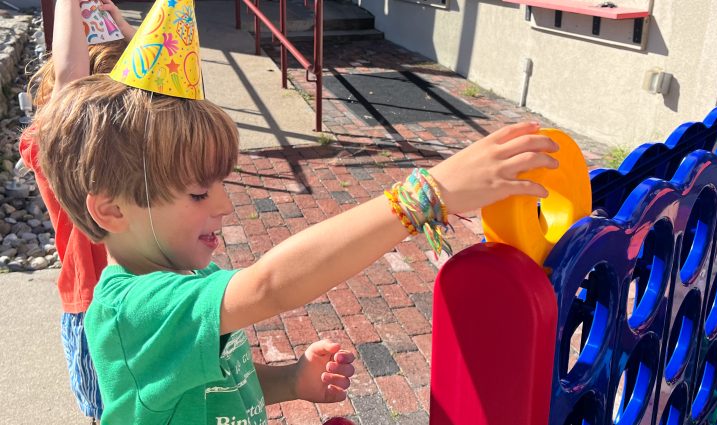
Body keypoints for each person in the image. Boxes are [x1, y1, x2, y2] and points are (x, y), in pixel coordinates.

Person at [36, 73, 557, 424]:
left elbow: (216, 380)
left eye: (220, 183)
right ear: (111, 210)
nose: (223, 203)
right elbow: (270, 285)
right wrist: (422, 197)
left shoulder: (183, 279)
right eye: (198, 192)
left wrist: (292, 380)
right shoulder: (133, 310)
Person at [19, 0, 134, 422]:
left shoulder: (137, 138)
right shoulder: (64, 147)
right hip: (100, 307)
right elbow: (73, 88)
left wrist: (120, 28)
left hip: (114, 300)